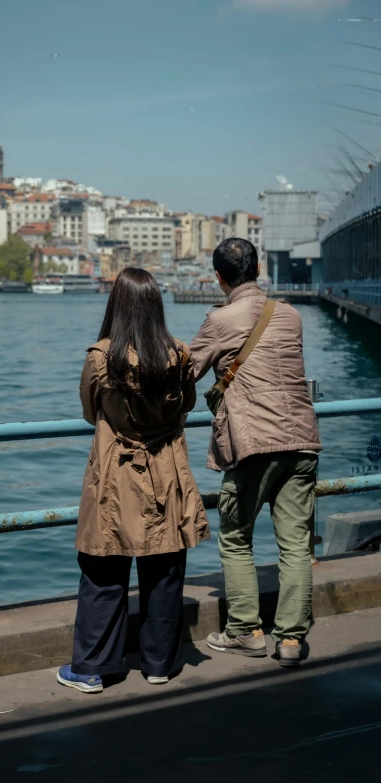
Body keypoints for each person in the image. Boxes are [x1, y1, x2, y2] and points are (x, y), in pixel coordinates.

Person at [58, 267, 210, 693]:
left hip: (116, 474)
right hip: (166, 469)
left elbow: (91, 412)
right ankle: (160, 662)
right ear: (156, 304)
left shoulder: (101, 356)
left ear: (116, 304)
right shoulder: (178, 353)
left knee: (103, 568)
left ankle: (92, 668)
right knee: (164, 567)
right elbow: (185, 408)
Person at [189, 238, 322, 668]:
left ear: (218, 276)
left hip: (252, 443)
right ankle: (289, 641)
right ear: (259, 268)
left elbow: (186, 372)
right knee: (296, 545)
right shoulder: (290, 314)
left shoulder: (219, 319)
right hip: (301, 439)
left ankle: (245, 631)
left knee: (235, 536)